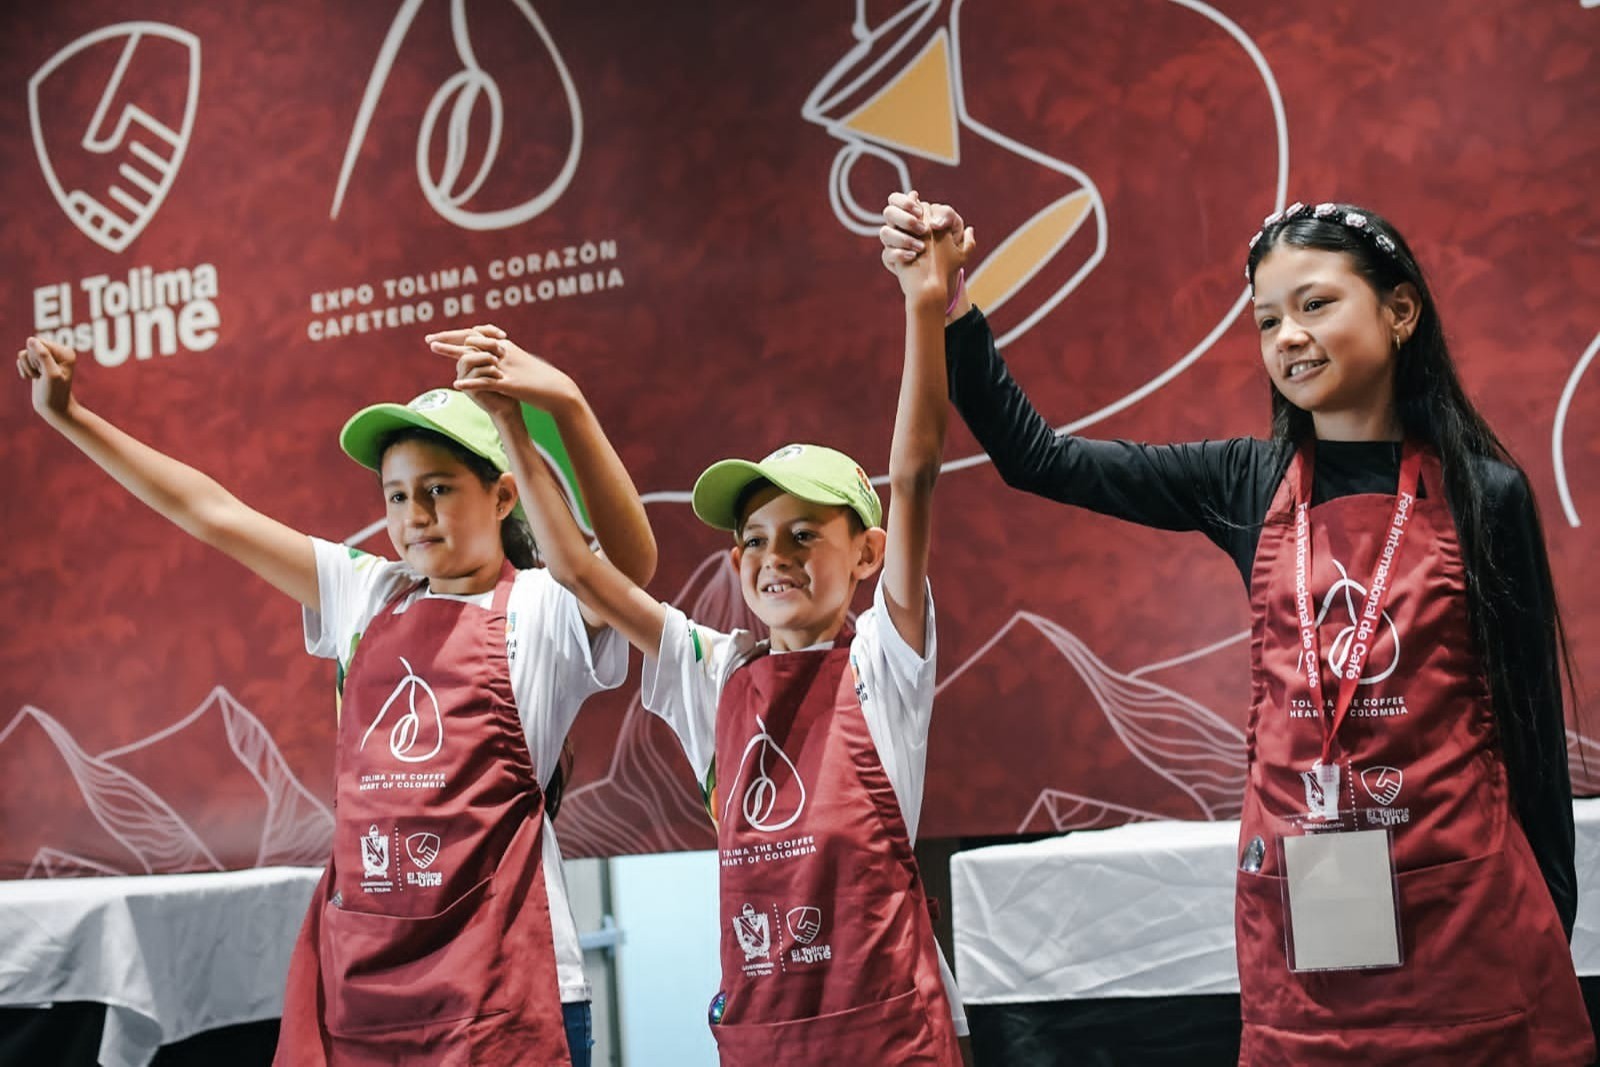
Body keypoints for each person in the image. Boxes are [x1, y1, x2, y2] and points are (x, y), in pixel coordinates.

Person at [877, 193, 1595, 1063]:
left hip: (1468, 921)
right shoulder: (1244, 483)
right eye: (1266, 319)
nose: (1288, 335)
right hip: (1311, 923)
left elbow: (1528, 728)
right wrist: (950, 304)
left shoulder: (1485, 494)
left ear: (1401, 311)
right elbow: (1039, 458)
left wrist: (1550, 914)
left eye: (1315, 304)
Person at [16, 325, 656, 1066]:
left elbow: (632, 567)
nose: (413, 516)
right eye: (396, 494)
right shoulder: (366, 592)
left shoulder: (543, 608)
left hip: (509, 994)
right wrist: (70, 417)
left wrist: (560, 404)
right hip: (370, 991)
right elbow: (211, 512)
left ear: (503, 491)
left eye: (438, 490)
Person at [428, 211, 973, 1064]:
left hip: (891, 1038)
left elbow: (916, 472)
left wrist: (924, 304)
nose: (773, 558)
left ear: (867, 552)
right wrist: (518, 422)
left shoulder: (884, 660)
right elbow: (576, 569)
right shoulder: (712, 671)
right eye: (754, 539)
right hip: (762, 1039)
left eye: (804, 534)